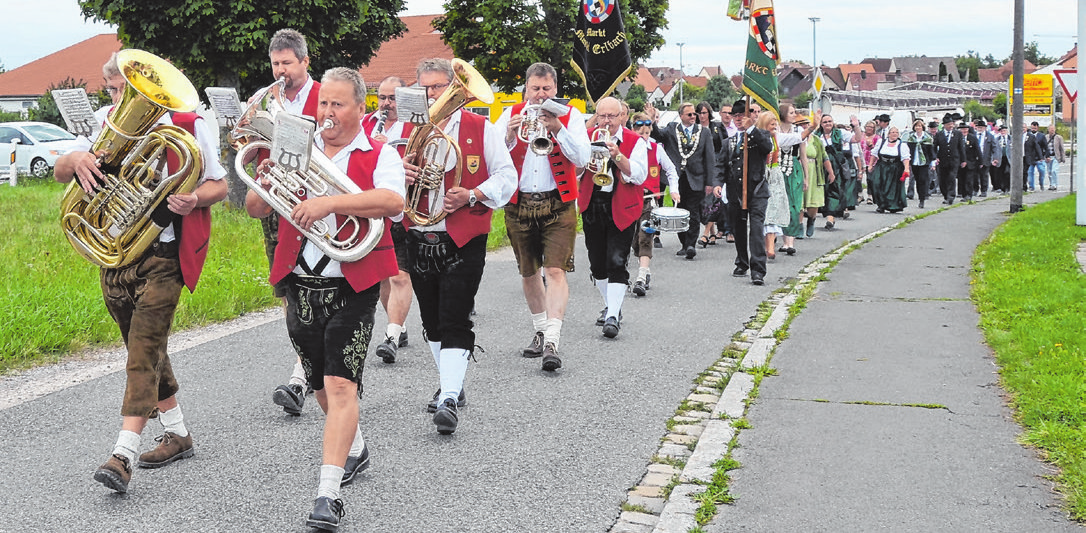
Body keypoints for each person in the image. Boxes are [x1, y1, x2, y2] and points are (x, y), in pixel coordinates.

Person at [55, 52, 228, 494]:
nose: (117, 99)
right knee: (146, 349)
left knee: (142, 350)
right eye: (114, 90)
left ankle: (123, 453)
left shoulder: (188, 124)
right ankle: (178, 434)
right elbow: (61, 172)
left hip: (163, 254)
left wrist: (195, 200)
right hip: (115, 254)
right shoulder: (107, 123)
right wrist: (76, 159)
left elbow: (219, 185)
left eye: (122, 90)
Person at [246, 68, 404, 531]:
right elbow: (256, 206)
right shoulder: (301, 148)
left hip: (352, 284)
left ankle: (327, 494)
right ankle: (355, 450)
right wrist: (267, 172)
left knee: (341, 386)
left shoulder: (380, 152)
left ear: (360, 108)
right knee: (318, 386)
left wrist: (329, 203)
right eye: (323, 105)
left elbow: (393, 201)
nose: (327, 113)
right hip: (299, 281)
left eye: (337, 105)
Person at [406, 58, 517, 422]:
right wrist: (398, 177)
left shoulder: (480, 128)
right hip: (419, 232)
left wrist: (472, 195)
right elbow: (382, 188)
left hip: (464, 234)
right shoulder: (407, 131)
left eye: (438, 87)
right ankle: (450, 380)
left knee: (455, 315)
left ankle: (449, 397)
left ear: (453, 85)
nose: (432, 95)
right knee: (431, 320)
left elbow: (506, 176)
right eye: (425, 88)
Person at [494, 62, 591, 368]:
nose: (539, 95)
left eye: (546, 89)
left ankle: (553, 340)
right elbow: (492, 157)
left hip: (558, 202)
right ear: (526, 88)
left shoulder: (570, 116)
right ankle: (539, 329)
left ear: (555, 89)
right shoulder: (510, 115)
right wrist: (509, 137)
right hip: (518, 202)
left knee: (555, 271)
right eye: (534, 89)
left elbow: (583, 158)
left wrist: (558, 129)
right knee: (528, 271)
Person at [260, 29, 324, 416]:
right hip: (278, 205)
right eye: (275, 64)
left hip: (317, 205)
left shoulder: (325, 96)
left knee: (317, 288)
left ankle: (302, 377)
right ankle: (306, 364)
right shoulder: (270, 99)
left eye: (287, 63)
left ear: (304, 62)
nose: (280, 71)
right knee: (290, 293)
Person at [579, 97, 648, 338]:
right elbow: (575, 169)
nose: (607, 121)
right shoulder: (587, 136)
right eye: (602, 116)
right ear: (596, 116)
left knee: (617, 261)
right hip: (592, 203)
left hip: (622, 205)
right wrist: (583, 163)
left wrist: (618, 155)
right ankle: (612, 306)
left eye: (612, 116)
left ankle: (612, 315)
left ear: (622, 117)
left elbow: (639, 175)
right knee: (597, 264)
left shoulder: (635, 141)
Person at [361, 76, 417, 364]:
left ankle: (392, 335)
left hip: (406, 208)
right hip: (375, 208)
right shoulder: (367, 125)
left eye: (392, 98)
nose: (385, 104)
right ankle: (400, 325)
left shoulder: (415, 126)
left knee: (400, 274)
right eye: (382, 97)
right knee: (383, 275)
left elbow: (425, 164)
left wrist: (393, 158)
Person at [714, 99, 774, 285]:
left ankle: (758, 270)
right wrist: (717, 183)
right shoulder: (729, 142)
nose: (738, 119)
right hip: (735, 192)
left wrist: (751, 130)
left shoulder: (760, 134)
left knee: (756, 229)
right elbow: (720, 165)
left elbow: (767, 148)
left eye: (742, 115)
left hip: (756, 191)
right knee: (738, 229)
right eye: (735, 116)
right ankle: (742, 261)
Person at [646, 100, 716, 259]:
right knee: (680, 210)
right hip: (677, 179)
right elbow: (657, 135)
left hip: (696, 177)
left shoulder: (703, 132)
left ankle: (691, 244)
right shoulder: (672, 128)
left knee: (693, 211)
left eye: (694, 114)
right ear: (681, 116)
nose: (693, 116)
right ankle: (684, 243)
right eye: (689, 114)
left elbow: (710, 158)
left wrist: (710, 182)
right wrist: (651, 121)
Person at [630, 112, 680, 296]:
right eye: (640, 133)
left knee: (645, 236)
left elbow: (671, 169)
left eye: (647, 133)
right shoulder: (626, 147)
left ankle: (641, 277)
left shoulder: (656, 148)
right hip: (628, 201)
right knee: (633, 241)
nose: (644, 137)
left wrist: (674, 189)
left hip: (648, 201)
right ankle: (646, 271)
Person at [775, 104, 810, 256]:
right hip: (778, 168)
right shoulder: (775, 130)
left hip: (794, 169)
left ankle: (791, 241)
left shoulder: (799, 131)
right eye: (791, 112)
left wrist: (806, 177)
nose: (794, 115)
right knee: (782, 204)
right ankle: (784, 240)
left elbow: (803, 156)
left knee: (795, 205)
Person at [814, 113, 854, 231]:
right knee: (823, 192)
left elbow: (856, 139)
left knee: (834, 191)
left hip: (836, 167)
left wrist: (855, 126)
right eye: (825, 122)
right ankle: (826, 215)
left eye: (829, 121)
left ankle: (830, 218)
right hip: (820, 166)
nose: (828, 124)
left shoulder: (840, 133)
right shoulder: (816, 135)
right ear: (821, 124)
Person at [697, 101, 728, 247]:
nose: (702, 116)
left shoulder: (717, 127)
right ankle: (713, 232)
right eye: (700, 113)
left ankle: (705, 234)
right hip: (700, 167)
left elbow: (724, 145)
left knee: (713, 200)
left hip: (715, 164)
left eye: (704, 113)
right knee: (704, 201)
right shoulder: (695, 129)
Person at [866, 126, 911, 213]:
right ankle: (881, 203)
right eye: (893, 132)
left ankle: (891, 206)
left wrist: (906, 169)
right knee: (876, 183)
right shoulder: (881, 142)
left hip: (895, 167)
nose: (895, 134)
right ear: (888, 134)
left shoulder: (902, 145)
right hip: (881, 166)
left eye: (896, 132)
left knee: (891, 188)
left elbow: (906, 158)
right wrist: (870, 165)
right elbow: (874, 154)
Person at [933, 114, 964, 205]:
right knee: (942, 179)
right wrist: (935, 157)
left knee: (951, 177)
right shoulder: (939, 134)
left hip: (954, 160)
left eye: (952, 124)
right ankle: (946, 195)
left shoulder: (957, 134)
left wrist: (963, 160)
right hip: (942, 160)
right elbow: (934, 147)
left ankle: (951, 196)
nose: (951, 126)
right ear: (944, 125)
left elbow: (961, 148)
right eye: (948, 124)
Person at [903, 119, 934, 209]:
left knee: (923, 180)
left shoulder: (927, 138)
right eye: (916, 126)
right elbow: (908, 150)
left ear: (922, 127)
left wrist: (933, 162)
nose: (918, 128)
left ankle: (922, 199)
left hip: (924, 162)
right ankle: (920, 195)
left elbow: (931, 151)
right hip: (915, 162)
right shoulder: (911, 137)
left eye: (919, 126)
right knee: (917, 180)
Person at [974, 119, 997, 198]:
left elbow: (994, 147)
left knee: (984, 175)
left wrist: (995, 158)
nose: (980, 129)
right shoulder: (973, 135)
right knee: (974, 175)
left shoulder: (989, 136)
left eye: (981, 127)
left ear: (985, 128)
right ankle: (975, 189)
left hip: (985, 158)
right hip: (975, 158)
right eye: (978, 127)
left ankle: (984, 191)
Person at [958, 121, 980, 203]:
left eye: (965, 129)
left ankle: (969, 195)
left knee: (969, 180)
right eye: (962, 129)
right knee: (962, 180)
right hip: (960, 163)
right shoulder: (958, 138)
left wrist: (980, 161)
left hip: (971, 162)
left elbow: (977, 150)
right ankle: (964, 195)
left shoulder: (972, 138)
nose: (963, 131)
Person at [1028, 121, 1049, 190]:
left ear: (1038, 128)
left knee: (1042, 171)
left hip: (1039, 158)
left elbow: (1045, 146)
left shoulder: (1041, 136)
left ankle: (1041, 183)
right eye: (1032, 128)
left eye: (1035, 128)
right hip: (1030, 158)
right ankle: (1031, 186)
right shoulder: (1028, 136)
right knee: (1030, 172)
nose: (1033, 130)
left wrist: (1046, 155)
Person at [1045, 124, 1065, 191]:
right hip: (1048, 157)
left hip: (1056, 157)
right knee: (1049, 171)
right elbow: (1044, 147)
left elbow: (1062, 148)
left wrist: (1063, 158)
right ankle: (1051, 184)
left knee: (1054, 171)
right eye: (1051, 129)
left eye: (1053, 129)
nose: (1052, 130)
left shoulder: (1059, 137)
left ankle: (1054, 184)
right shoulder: (1046, 137)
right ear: (1048, 130)